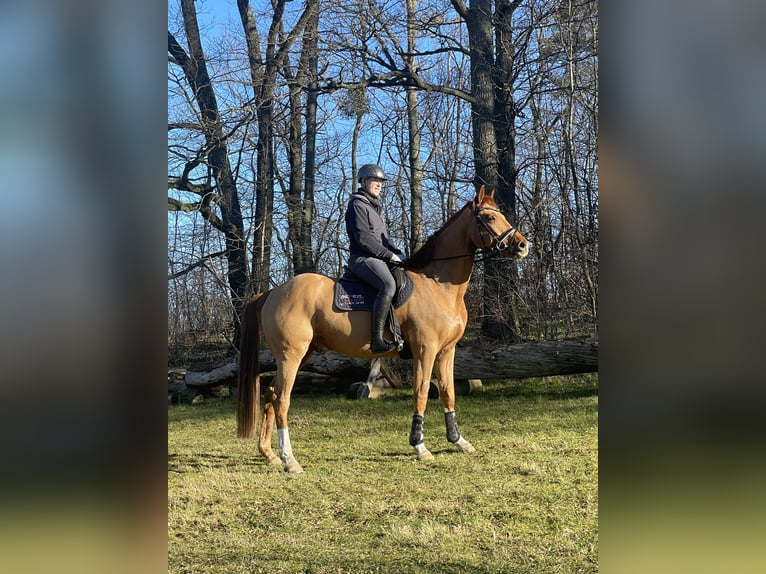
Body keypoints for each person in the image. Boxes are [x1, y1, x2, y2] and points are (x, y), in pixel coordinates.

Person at [344, 163, 405, 354]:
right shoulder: (357, 205)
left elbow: (384, 240)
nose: (379, 185)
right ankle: (377, 339)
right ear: (363, 181)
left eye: (381, 182)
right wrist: (388, 255)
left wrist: (399, 253)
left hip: (377, 258)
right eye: (375, 180)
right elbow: (363, 238)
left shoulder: (374, 209)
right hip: (363, 258)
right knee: (388, 285)